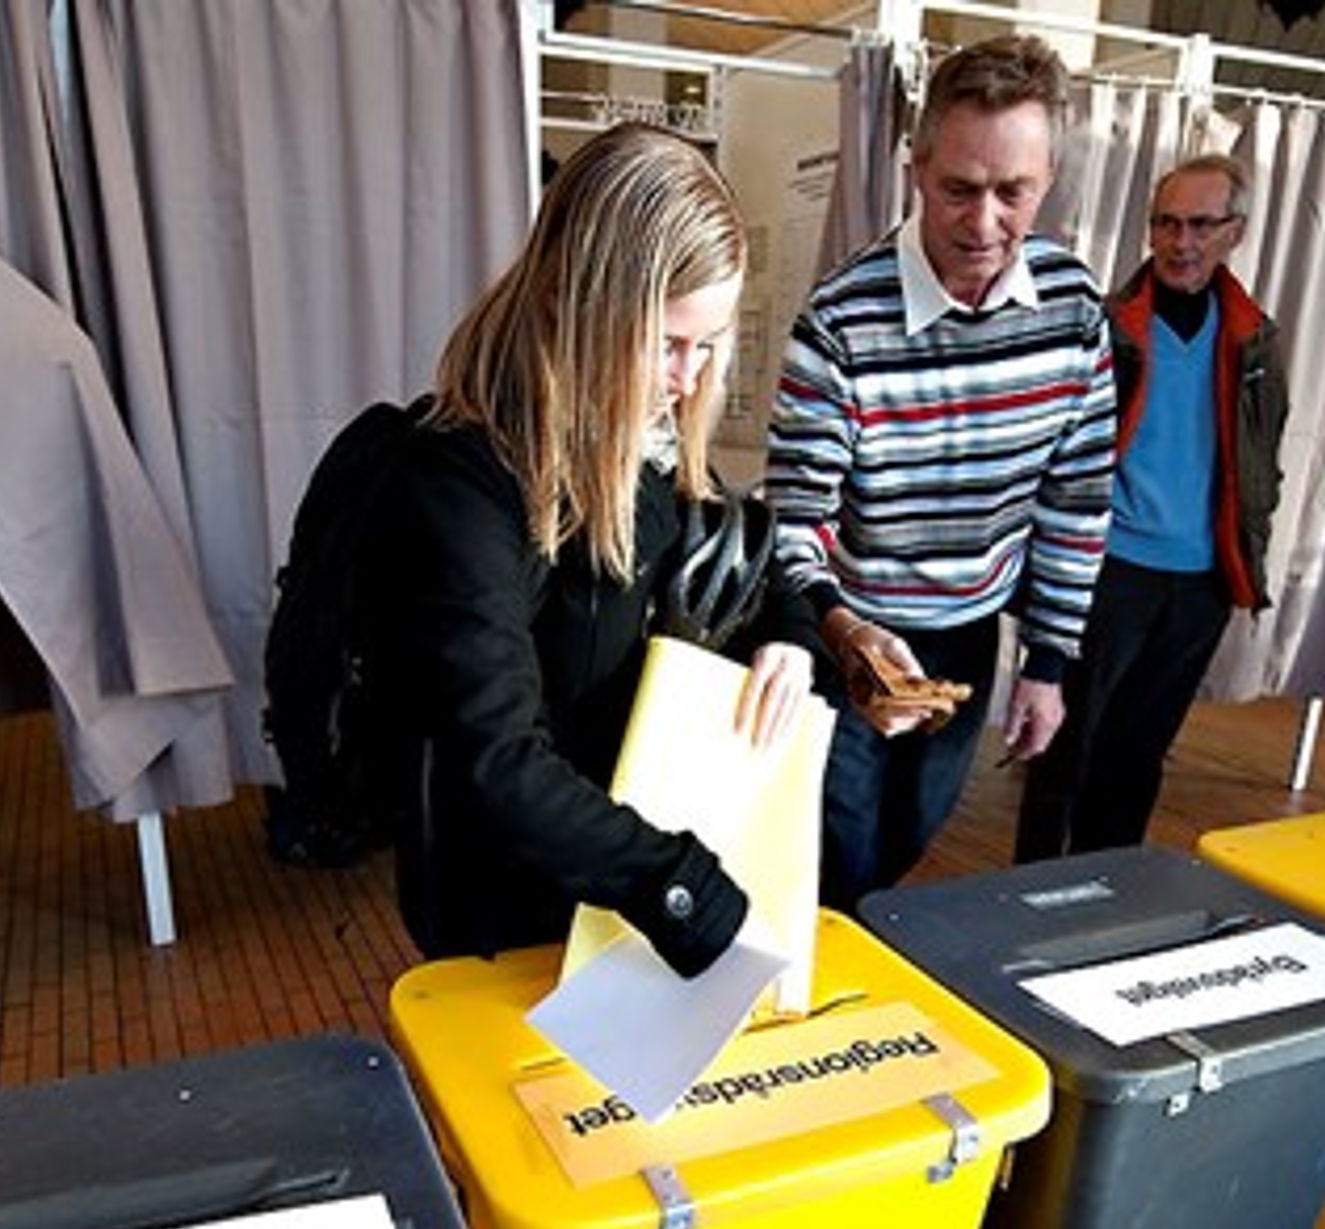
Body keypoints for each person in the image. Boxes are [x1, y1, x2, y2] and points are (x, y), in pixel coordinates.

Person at [377, 123, 815, 976]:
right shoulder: (458, 480)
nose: (690, 380)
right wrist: (681, 886)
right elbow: (498, 762)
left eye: (710, 345)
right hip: (511, 910)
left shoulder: (644, 438)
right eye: (668, 343)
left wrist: (793, 638)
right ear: (576, 306)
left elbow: (742, 559)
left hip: (619, 892)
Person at [766, 34, 1114, 908]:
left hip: (968, 629)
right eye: (959, 188)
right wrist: (844, 636)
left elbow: (1076, 501)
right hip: (852, 632)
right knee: (833, 860)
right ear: (917, 167)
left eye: (1014, 192)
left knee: (905, 840)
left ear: (1047, 182)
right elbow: (795, 515)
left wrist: (1049, 660)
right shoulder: (841, 320)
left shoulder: (1074, 309)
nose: (984, 220)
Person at [1015, 154, 1288, 859]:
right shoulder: (1107, 325)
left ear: (1235, 232)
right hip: (1106, 570)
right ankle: (1024, 898)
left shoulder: (1256, 338)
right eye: (1167, 223)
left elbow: (1264, 457)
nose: (1181, 242)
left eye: (1201, 224)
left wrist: (1246, 543)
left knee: (1139, 753)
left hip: (1200, 583)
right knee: (1063, 747)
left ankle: (1110, 889)